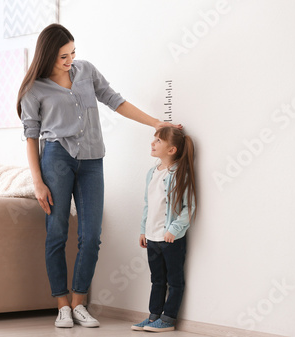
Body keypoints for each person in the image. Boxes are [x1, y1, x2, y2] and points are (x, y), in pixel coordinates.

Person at [17, 23, 181, 328]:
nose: (70, 60)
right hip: (56, 159)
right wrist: (38, 182)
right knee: (56, 232)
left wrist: (155, 122)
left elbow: (116, 101)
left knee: (91, 236)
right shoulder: (34, 89)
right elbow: (31, 136)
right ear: (47, 56)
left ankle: (79, 303)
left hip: (92, 160)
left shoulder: (86, 71)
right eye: (62, 56)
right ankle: (62, 306)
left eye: (72, 53)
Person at [131, 126, 197, 332]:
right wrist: (143, 230)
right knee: (157, 280)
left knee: (174, 280)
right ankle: (153, 317)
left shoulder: (180, 173)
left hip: (170, 238)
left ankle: (168, 319)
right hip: (152, 237)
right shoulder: (152, 172)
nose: (152, 143)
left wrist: (174, 230)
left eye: (158, 141)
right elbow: (147, 204)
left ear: (171, 150)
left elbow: (189, 207)